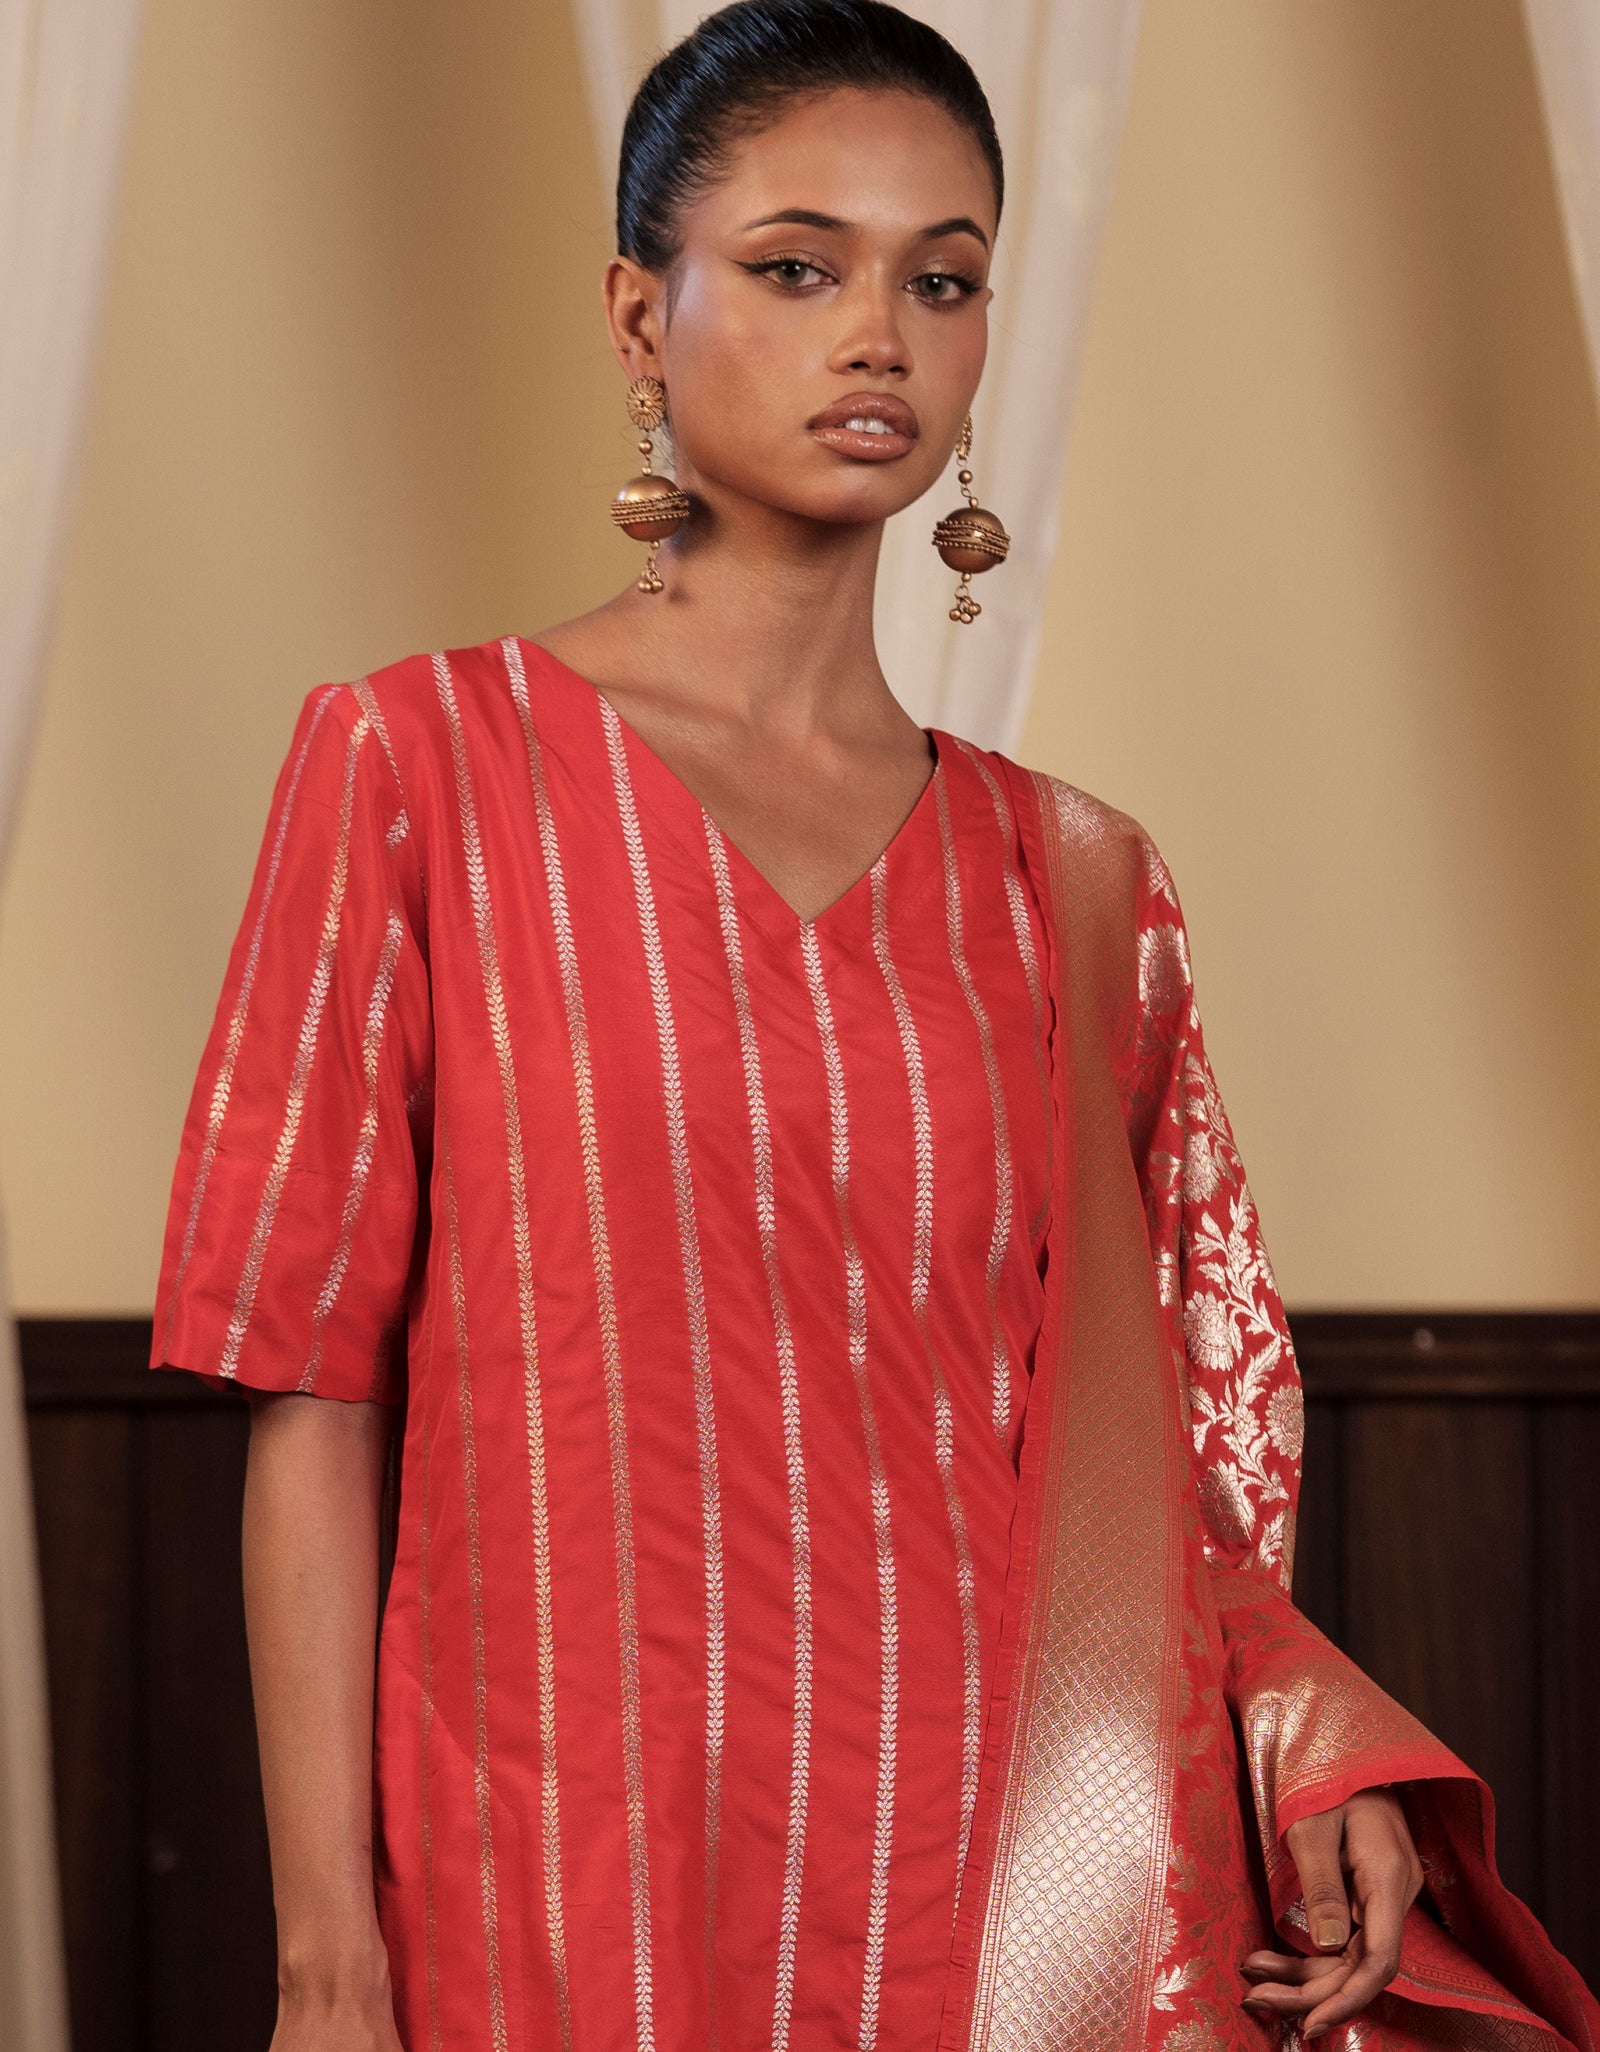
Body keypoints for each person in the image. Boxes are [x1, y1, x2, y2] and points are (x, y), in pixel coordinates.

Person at [149, 6, 1599, 2051]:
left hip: (999, 1886)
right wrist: (327, 1966)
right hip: (560, 1879)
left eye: (941, 280)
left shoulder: (1074, 882)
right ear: (638, 317)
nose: (878, 337)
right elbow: (308, 1399)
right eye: (796, 266)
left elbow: (1165, 1447)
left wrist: (1309, 1745)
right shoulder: (418, 766)